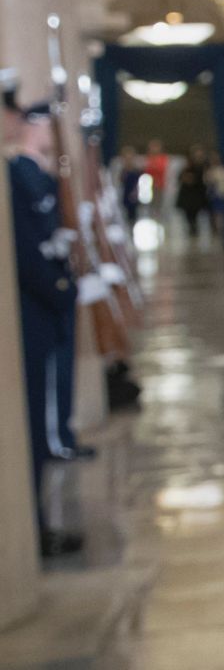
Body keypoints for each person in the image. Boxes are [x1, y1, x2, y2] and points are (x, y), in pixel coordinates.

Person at [4, 83, 90, 556]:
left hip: (46, 298)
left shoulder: (33, 174)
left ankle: (34, 529)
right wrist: (59, 288)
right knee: (35, 415)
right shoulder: (16, 173)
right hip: (35, 303)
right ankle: (30, 533)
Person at [176, 146, 211, 238]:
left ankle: (197, 228)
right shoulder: (187, 167)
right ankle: (192, 228)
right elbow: (180, 178)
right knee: (189, 214)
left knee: (198, 213)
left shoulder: (205, 167)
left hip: (199, 194)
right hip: (188, 195)